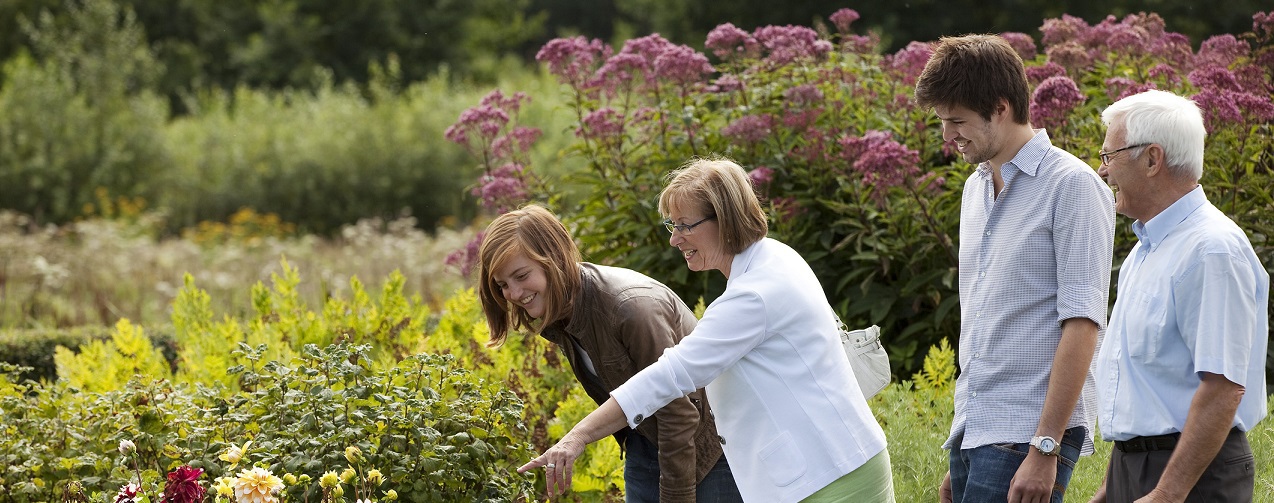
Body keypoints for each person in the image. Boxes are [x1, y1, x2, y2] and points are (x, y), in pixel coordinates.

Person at [516, 158, 893, 502]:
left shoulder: (753, 296)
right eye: (672, 224)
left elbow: (669, 376)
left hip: (830, 480)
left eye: (685, 225)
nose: (674, 238)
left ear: (724, 220)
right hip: (835, 465)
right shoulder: (774, 257)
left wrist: (577, 436)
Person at [912, 34, 1116, 503]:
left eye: (956, 121)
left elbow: (1084, 324)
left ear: (1000, 108)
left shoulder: (1073, 186)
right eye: (942, 122)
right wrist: (963, 447)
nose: (947, 136)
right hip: (977, 432)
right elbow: (986, 325)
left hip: (1030, 434)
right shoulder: (974, 191)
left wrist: (1044, 447)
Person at [476, 204, 743, 503]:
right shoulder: (562, 311)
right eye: (502, 285)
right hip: (645, 443)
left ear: (554, 258)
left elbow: (678, 413)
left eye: (521, 275)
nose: (512, 294)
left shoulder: (628, 307)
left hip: (708, 448)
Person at [1088, 89, 1269, 502]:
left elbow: (1223, 388)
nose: (1103, 171)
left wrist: (1168, 492)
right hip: (1140, 470)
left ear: (1152, 159)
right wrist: (1112, 486)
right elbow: (1147, 388)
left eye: (1108, 156)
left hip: (1193, 478)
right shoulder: (1146, 249)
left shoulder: (1211, 250)